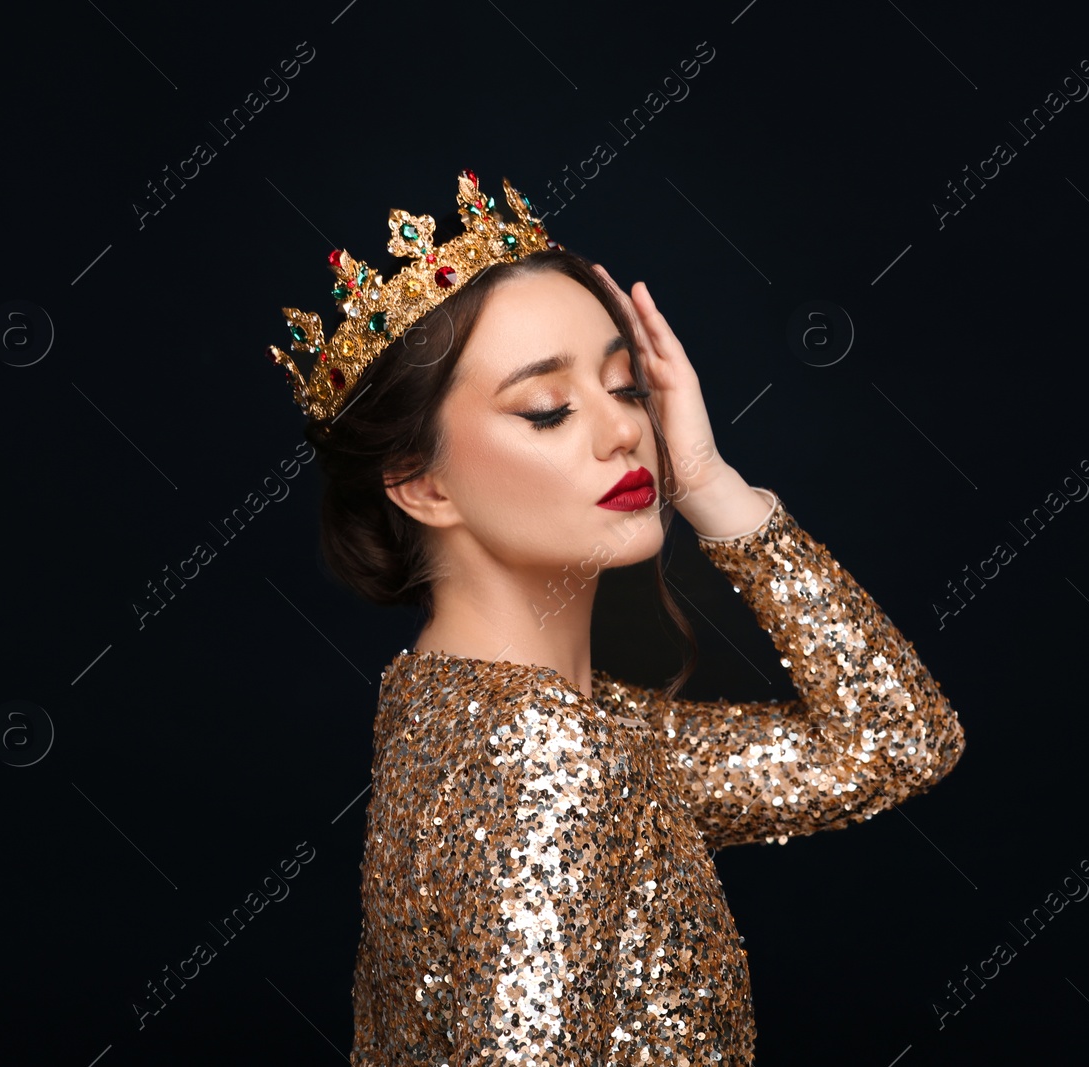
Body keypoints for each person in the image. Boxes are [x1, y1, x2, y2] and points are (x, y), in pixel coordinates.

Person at [267, 170, 967, 1065]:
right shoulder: (548, 752)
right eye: (549, 409)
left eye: (626, 385)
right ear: (423, 484)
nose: (623, 433)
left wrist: (711, 482)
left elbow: (895, 742)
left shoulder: (462, 712)